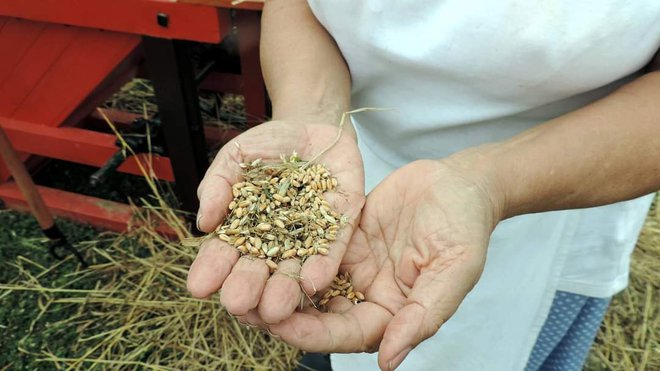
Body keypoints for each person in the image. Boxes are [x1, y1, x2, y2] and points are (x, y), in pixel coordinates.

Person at [188, 1, 660, 370]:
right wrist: (312, 115)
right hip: (350, 164)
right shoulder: (329, 178)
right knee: (342, 325)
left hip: (554, 183)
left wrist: (487, 186)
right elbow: (297, 4)